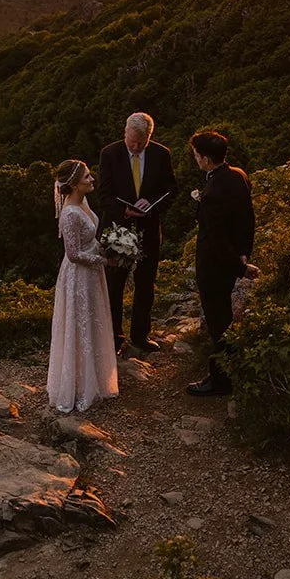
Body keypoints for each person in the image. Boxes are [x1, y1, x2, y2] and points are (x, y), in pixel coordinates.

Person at [96, 112, 176, 353]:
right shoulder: (109, 154)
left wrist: (150, 204)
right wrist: (125, 211)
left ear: (149, 137)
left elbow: (170, 190)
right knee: (114, 285)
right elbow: (104, 195)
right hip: (117, 229)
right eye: (132, 142)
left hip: (149, 229)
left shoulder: (162, 155)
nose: (136, 147)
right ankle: (115, 338)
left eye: (141, 143)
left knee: (145, 284)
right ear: (125, 132)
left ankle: (141, 335)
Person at [186, 130, 258, 397]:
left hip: (214, 265)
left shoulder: (212, 192)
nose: (195, 159)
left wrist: (241, 267)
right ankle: (231, 371)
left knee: (219, 323)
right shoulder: (238, 176)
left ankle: (220, 380)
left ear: (205, 159)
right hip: (232, 258)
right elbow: (247, 220)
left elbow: (215, 239)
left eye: (195, 155)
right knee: (224, 319)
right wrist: (243, 253)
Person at [46, 159, 120, 413]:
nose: (92, 180)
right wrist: (105, 260)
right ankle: (78, 385)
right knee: (80, 325)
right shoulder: (69, 213)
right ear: (75, 184)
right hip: (78, 276)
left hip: (91, 274)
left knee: (92, 321)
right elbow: (73, 253)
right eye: (87, 177)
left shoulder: (82, 205)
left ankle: (95, 379)